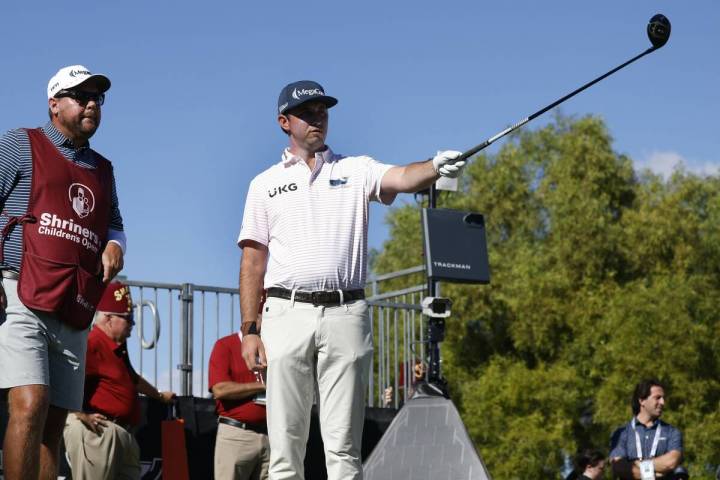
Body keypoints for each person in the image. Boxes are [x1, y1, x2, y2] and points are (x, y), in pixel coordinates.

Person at [237, 80, 466, 479]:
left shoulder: (355, 169)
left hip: (346, 313)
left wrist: (434, 167)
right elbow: (253, 262)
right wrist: (250, 329)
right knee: (285, 450)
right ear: (283, 122)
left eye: (322, 111)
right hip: (285, 312)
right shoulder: (264, 184)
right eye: (307, 112)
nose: (317, 118)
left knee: (344, 449)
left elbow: (403, 177)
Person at [0, 65, 126, 480]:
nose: (91, 104)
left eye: (97, 98)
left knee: (53, 425)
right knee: (30, 402)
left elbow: (115, 225)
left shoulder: (103, 169)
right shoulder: (21, 144)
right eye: (80, 96)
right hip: (21, 291)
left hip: (73, 306)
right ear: (54, 104)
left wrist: (113, 245)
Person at [62, 281, 175, 480]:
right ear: (108, 318)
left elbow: (133, 379)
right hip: (99, 432)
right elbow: (64, 376)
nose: (132, 324)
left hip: (122, 434)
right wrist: (79, 414)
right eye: (127, 318)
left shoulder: (115, 346)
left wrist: (159, 395)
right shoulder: (92, 343)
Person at [209, 331, 269, 480]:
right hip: (237, 434)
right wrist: (262, 386)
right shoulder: (225, 345)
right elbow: (220, 390)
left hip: (271, 434)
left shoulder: (273, 346)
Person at [610, 379, 684, 479]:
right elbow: (619, 467)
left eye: (663, 398)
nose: (663, 402)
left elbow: (671, 462)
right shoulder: (621, 433)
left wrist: (635, 463)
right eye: (657, 398)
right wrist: (651, 475)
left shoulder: (672, 432)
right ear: (642, 401)